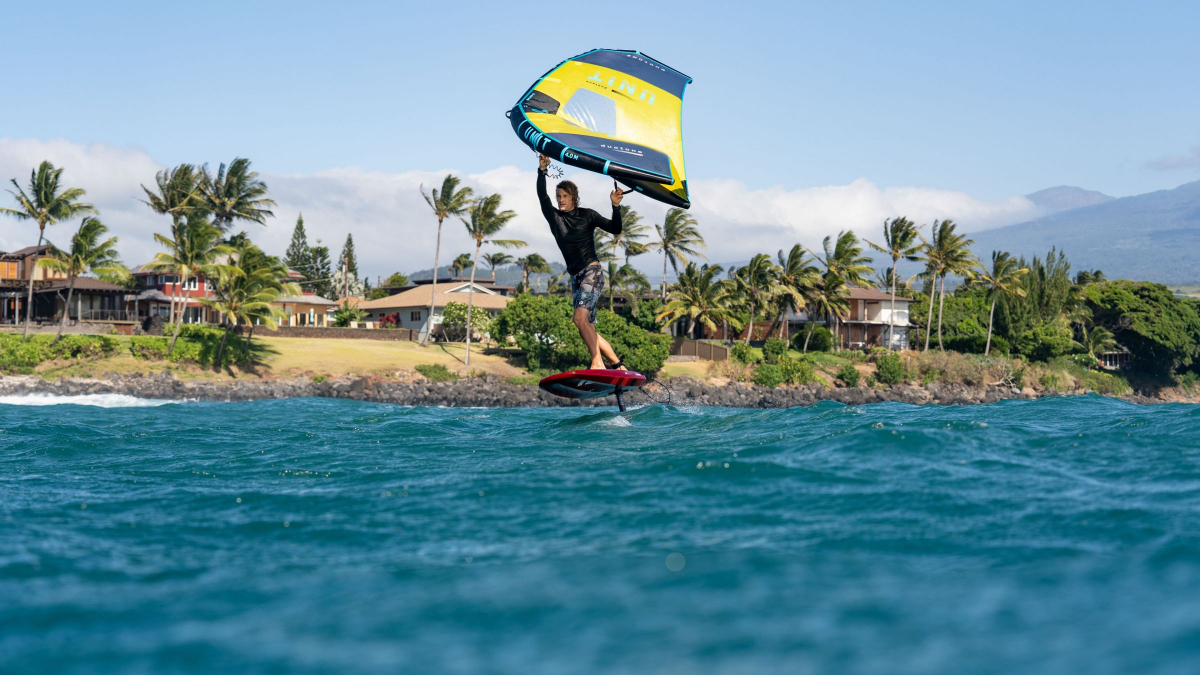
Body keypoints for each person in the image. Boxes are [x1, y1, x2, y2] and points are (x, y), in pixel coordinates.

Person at [536, 153, 625, 370]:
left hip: (591, 272)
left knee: (579, 320)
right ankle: (618, 365)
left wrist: (615, 207)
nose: (560, 200)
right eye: (558, 196)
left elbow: (616, 229)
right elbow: (542, 195)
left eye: (564, 196)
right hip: (577, 278)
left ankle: (597, 363)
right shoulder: (555, 218)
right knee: (586, 325)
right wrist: (542, 171)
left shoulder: (588, 215)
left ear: (573, 196)